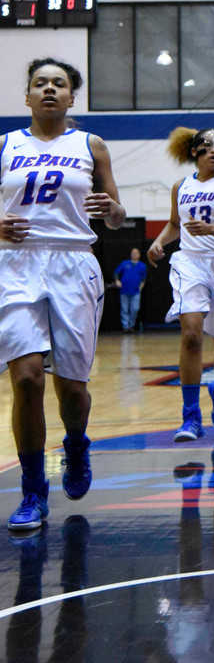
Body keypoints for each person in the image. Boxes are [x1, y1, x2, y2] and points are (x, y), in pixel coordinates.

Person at [0, 57, 126, 532]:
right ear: (27, 96)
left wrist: (112, 209)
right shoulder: (6, 145)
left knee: (71, 387)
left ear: (72, 97)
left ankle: (76, 443)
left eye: (59, 84)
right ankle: (33, 490)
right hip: (16, 263)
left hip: (74, 263)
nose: (49, 89)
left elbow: (115, 215)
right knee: (27, 378)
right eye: (40, 83)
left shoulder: (91, 145)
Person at [148, 127, 214, 442]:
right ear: (194, 152)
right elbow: (175, 225)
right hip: (190, 262)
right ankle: (190, 416)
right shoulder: (181, 186)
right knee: (191, 334)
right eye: (207, 146)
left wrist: (212, 229)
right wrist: (160, 241)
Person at [113, 247, 147, 332]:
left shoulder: (142, 266)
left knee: (135, 309)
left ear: (139, 255)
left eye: (136, 253)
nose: (134, 255)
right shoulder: (125, 263)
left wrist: (140, 287)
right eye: (133, 253)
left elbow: (144, 278)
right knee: (124, 309)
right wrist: (117, 280)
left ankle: (131, 325)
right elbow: (116, 272)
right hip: (124, 290)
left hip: (135, 291)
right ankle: (125, 326)